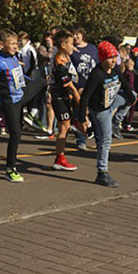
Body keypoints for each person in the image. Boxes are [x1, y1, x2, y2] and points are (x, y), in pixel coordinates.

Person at [0, 29, 47, 182]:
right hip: (10, 102)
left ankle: (32, 113)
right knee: (16, 135)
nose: (15, 46)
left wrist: (27, 79)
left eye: (16, 43)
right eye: (11, 43)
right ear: (1, 44)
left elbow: (19, 76)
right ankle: (10, 169)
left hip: (21, 97)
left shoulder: (14, 58)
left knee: (43, 81)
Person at [76, 41, 133, 187]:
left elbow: (124, 84)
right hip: (100, 110)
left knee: (132, 94)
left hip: (112, 102)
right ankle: (102, 173)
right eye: (109, 58)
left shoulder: (115, 69)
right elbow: (85, 98)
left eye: (115, 57)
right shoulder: (97, 74)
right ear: (102, 59)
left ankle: (116, 121)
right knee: (105, 141)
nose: (113, 61)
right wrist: (82, 118)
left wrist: (132, 99)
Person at [49, 30, 80, 171]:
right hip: (60, 97)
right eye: (71, 44)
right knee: (63, 127)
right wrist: (80, 103)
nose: (73, 47)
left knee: (66, 128)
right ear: (63, 45)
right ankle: (60, 159)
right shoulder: (59, 63)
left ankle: (60, 156)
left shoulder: (67, 59)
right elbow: (70, 86)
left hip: (66, 97)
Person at [70, 28, 98, 150]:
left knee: (94, 113)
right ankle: (81, 139)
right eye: (73, 34)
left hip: (92, 85)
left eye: (77, 34)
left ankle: (99, 139)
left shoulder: (92, 48)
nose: (75, 36)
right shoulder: (71, 50)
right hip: (78, 86)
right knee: (79, 112)